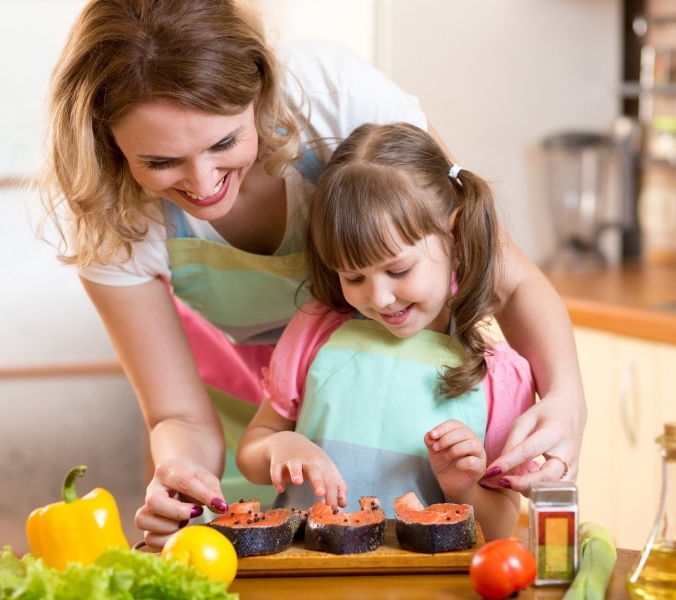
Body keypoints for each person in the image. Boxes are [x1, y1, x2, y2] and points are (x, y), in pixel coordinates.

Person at [39, 0, 585, 548]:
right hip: (262, 424)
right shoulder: (108, 215)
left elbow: (508, 278)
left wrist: (565, 399)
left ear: (259, 93)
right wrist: (182, 478)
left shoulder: (332, 100)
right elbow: (178, 413)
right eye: (160, 163)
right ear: (107, 144)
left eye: (225, 142)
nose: (203, 184)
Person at [237, 123, 535, 540]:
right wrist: (276, 447)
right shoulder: (316, 329)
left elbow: (503, 524)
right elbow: (253, 447)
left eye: (398, 270)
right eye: (353, 277)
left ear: (456, 232)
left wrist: (464, 486)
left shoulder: (498, 375)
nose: (379, 298)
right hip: (310, 573)